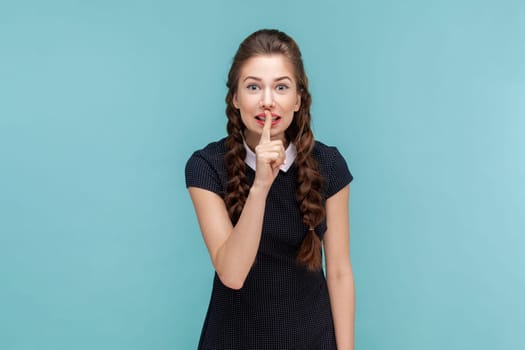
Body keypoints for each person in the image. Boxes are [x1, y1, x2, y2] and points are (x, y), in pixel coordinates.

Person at [185, 29, 355, 350]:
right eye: (253, 87)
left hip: (312, 341)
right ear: (235, 98)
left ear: (298, 99)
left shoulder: (329, 164)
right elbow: (232, 274)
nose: (267, 101)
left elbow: (340, 272)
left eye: (281, 87)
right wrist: (261, 185)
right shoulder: (206, 166)